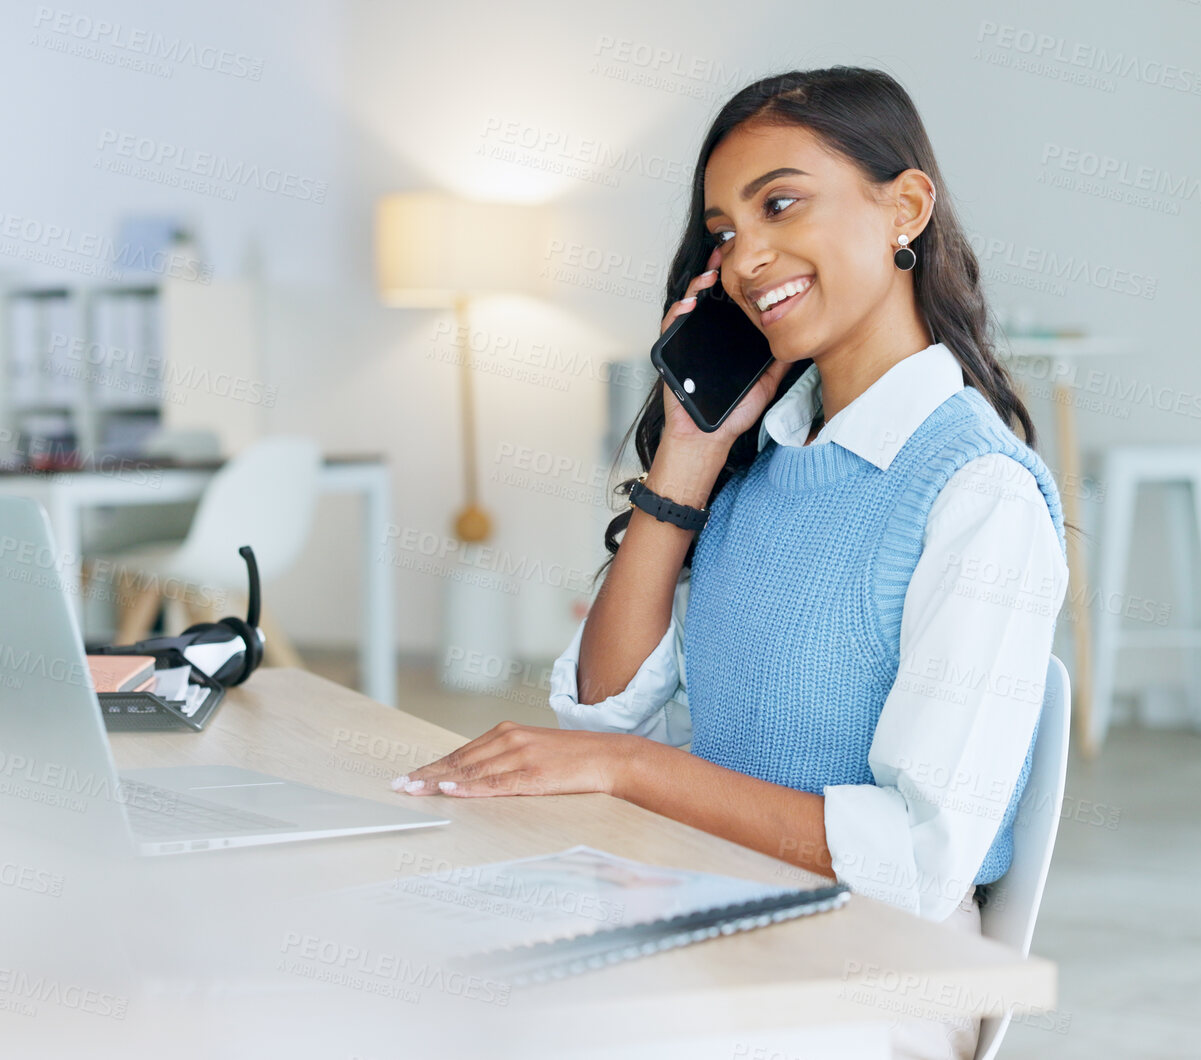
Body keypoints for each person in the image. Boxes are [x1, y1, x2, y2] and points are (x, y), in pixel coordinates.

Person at [392, 66, 1067, 1060]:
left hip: (868, 966)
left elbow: (917, 861)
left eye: (779, 204)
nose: (746, 257)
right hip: (705, 900)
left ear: (905, 207)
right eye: (722, 233)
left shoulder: (980, 497)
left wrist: (631, 770)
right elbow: (602, 706)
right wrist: (690, 453)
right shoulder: (763, 465)